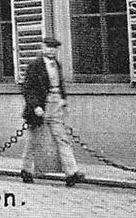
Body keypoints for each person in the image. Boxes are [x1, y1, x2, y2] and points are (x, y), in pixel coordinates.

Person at [19, 36, 83, 187]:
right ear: (43, 48)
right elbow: (27, 89)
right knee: (34, 141)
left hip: (56, 106)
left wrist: (63, 99)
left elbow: (60, 85)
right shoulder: (35, 65)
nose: (51, 50)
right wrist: (36, 107)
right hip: (41, 106)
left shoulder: (57, 65)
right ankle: (26, 170)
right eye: (48, 47)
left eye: (54, 48)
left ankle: (71, 173)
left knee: (62, 138)